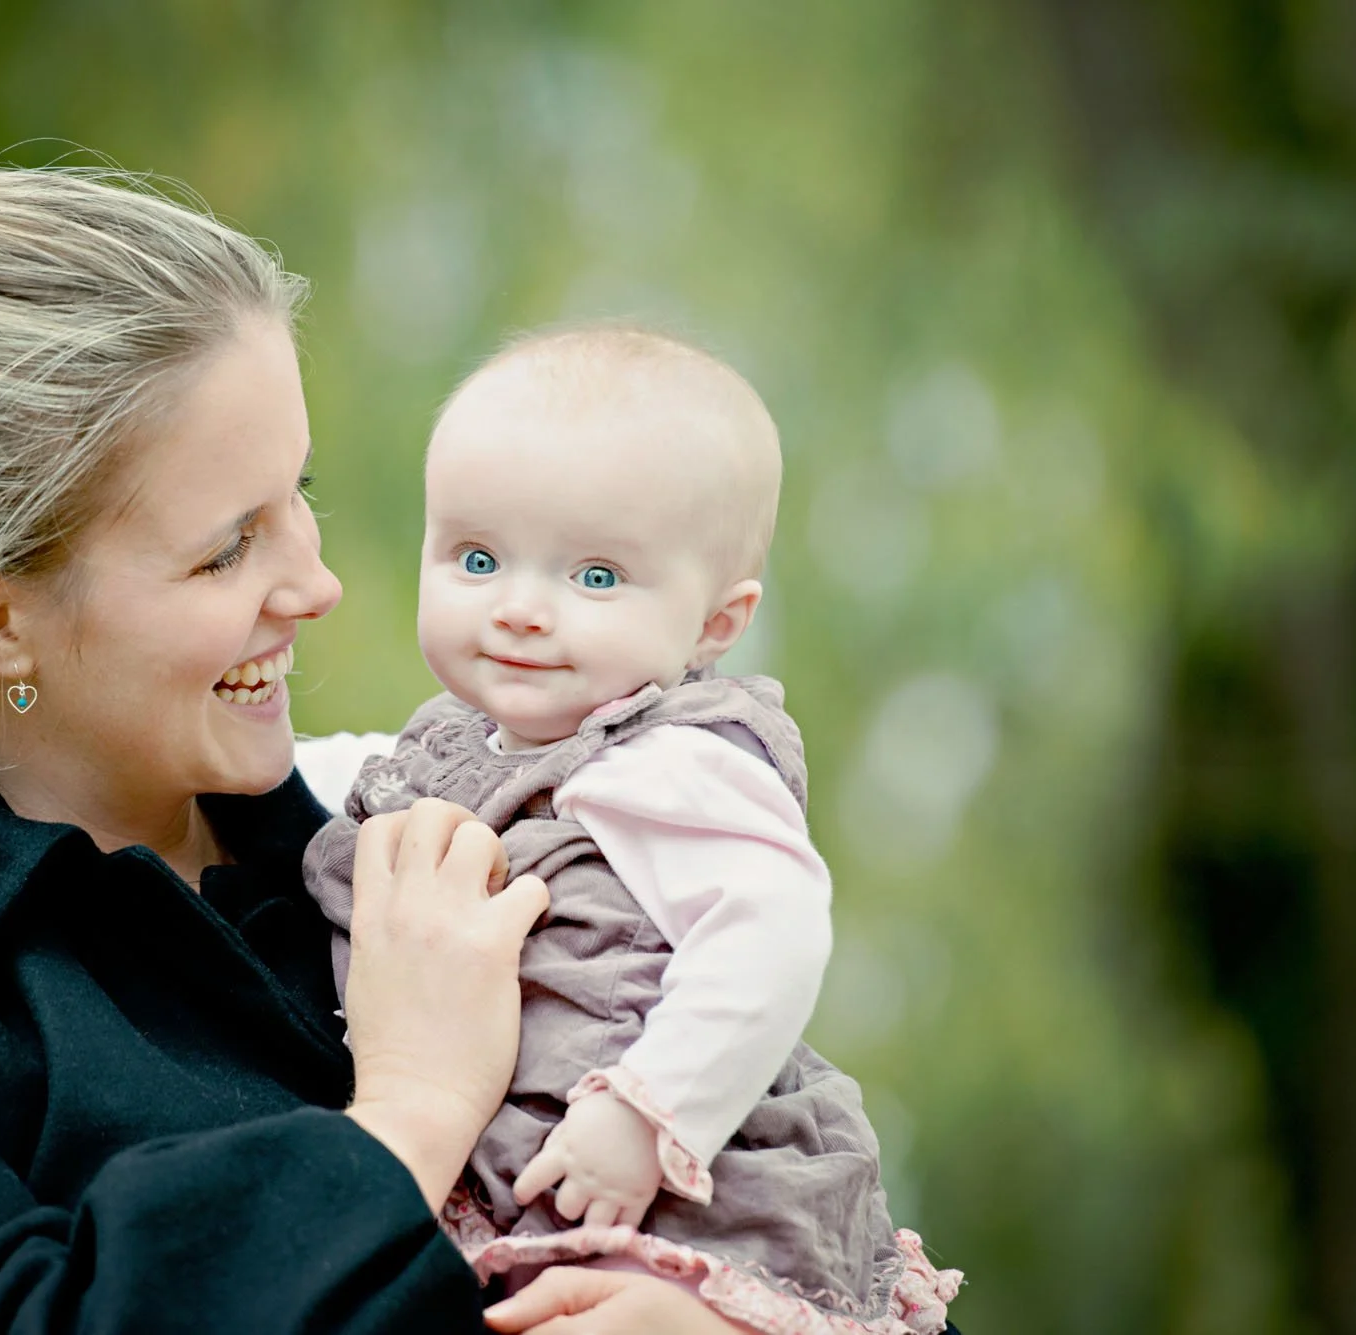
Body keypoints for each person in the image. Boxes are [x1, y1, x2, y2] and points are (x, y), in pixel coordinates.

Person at [0, 147, 768, 1332]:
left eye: (300, 495)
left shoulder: (437, 827)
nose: (317, 584)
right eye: (227, 548)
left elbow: (805, 1201)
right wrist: (407, 1114)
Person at [302, 328, 963, 1334]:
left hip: (686, 1198)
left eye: (594, 578)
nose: (519, 609)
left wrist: (652, 1113)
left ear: (715, 623)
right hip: (536, 1192)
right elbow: (339, 772)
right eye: (476, 558)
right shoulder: (445, 746)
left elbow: (770, 932)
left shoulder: (679, 761)